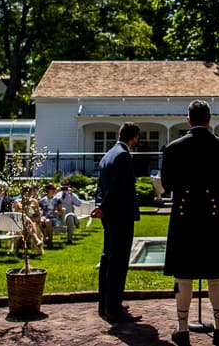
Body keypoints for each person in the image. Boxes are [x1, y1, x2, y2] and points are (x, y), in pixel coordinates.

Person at [161, 100, 219, 346]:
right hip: (214, 218)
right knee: (216, 275)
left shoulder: (173, 148)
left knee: (183, 276)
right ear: (209, 118)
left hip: (183, 218)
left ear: (188, 119)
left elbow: (168, 184)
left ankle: (182, 330)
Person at [94, 121, 143, 324]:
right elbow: (117, 188)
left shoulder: (108, 155)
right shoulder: (123, 155)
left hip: (109, 216)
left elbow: (101, 186)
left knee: (107, 257)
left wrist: (100, 206)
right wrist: (104, 207)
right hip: (120, 215)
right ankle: (114, 308)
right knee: (119, 261)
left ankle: (105, 303)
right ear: (133, 137)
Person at [13, 183, 44, 256]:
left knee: (28, 222)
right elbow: (14, 216)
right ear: (22, 192)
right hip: (19, 224)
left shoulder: (34, 202)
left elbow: (38, 217)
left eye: (29, 192)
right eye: (25, 191)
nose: (27, 194)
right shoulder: (17, 202)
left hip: (32, 224)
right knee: (25, 218)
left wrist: (32, 219)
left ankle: (18, 249)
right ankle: (36, 239)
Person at [53, 181, 84, 245]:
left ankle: (69, 239)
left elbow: (79, 203)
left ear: (69, 186)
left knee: (70, 218)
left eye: (66, 186)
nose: (64, 188)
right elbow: (52, 203)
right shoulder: (57, 194)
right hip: (59, 215)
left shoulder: (72, 195)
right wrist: (55, 192)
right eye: (63, 186)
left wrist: (72, 195)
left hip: (67, 214)